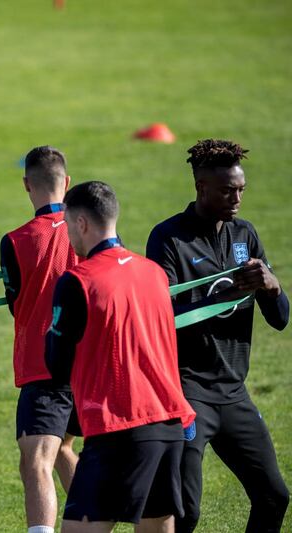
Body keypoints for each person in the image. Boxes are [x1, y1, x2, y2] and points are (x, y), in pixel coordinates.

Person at [146, 139, 289, 532]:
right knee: (186, 512)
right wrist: (230, 292)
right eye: (228, 190)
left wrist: (272, 287)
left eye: (241, 189)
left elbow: (280, 321)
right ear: (201, 188)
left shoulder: (245, 235)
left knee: (274, 496)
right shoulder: (169, 239)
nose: (237, 198)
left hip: (233, 391)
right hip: (187, 391)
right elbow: (163, 319)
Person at [45, 181, 196, 532]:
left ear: (81, 223)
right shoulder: (154, 273)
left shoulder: (77, 281)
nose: (69, 236)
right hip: (168, 425)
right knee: (157, 525)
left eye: (68, 226)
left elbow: (57, 364)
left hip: (119, 427)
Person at [0, 146, 79, 533]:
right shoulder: (91, 229)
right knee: (62, 448)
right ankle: (95, 523)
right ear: (67, 182)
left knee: (35, 461)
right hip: (90, 362)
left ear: (27, 184)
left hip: (43, 363)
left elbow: (16, 303)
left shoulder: (15, 241)